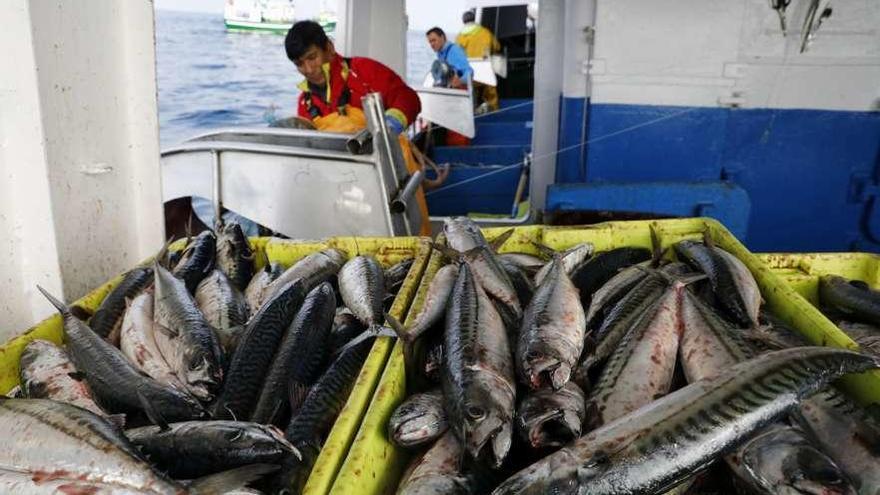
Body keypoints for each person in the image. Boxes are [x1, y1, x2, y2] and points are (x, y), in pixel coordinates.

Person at [285, 20, 431, 235]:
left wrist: (389, 125)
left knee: (407, 237)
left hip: (391, 178)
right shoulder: (304, 103)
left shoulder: (363, 70)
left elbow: (408, 98)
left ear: (329, 48)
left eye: (312, 58)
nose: (308, 69)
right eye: (299, 64)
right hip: (345, 188)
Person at [456, 9, 501, 111]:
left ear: (463, 21)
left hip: (468, 74)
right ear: (474, 19)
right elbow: (497, 47)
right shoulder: (485, 33)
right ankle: (493, 108)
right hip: (484, 71)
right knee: (490, 87)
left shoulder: (459, 37)